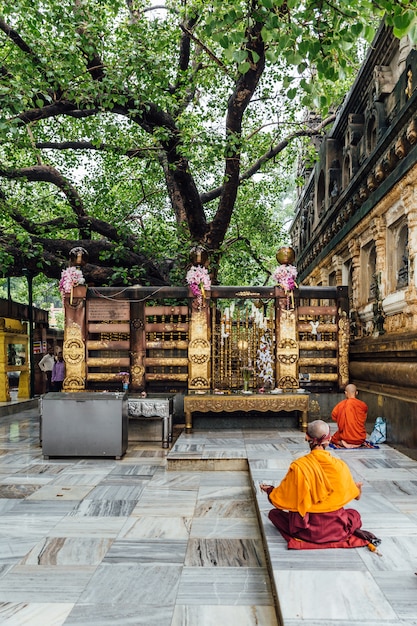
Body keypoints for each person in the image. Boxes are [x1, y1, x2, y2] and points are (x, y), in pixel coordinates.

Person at [260, 420, 380, 550]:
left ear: (307, 438)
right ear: (328, 440)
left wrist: (270, 490)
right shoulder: (340, 466)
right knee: (354, 515)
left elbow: (278, 499)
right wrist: (357, 489)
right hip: (336, 530)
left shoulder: (299, 467)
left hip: (306, 531)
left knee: (274, 514)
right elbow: (356, 496)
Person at [331, 383, 368, 448]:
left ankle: (343, 443)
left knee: (333, 438)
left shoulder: (341, 405)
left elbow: (334, 416)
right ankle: (356, 444)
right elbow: (363, 419)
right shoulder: (362, 405)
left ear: (345, 393)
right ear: (356, 393)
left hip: (346, 438)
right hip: (360, 438)